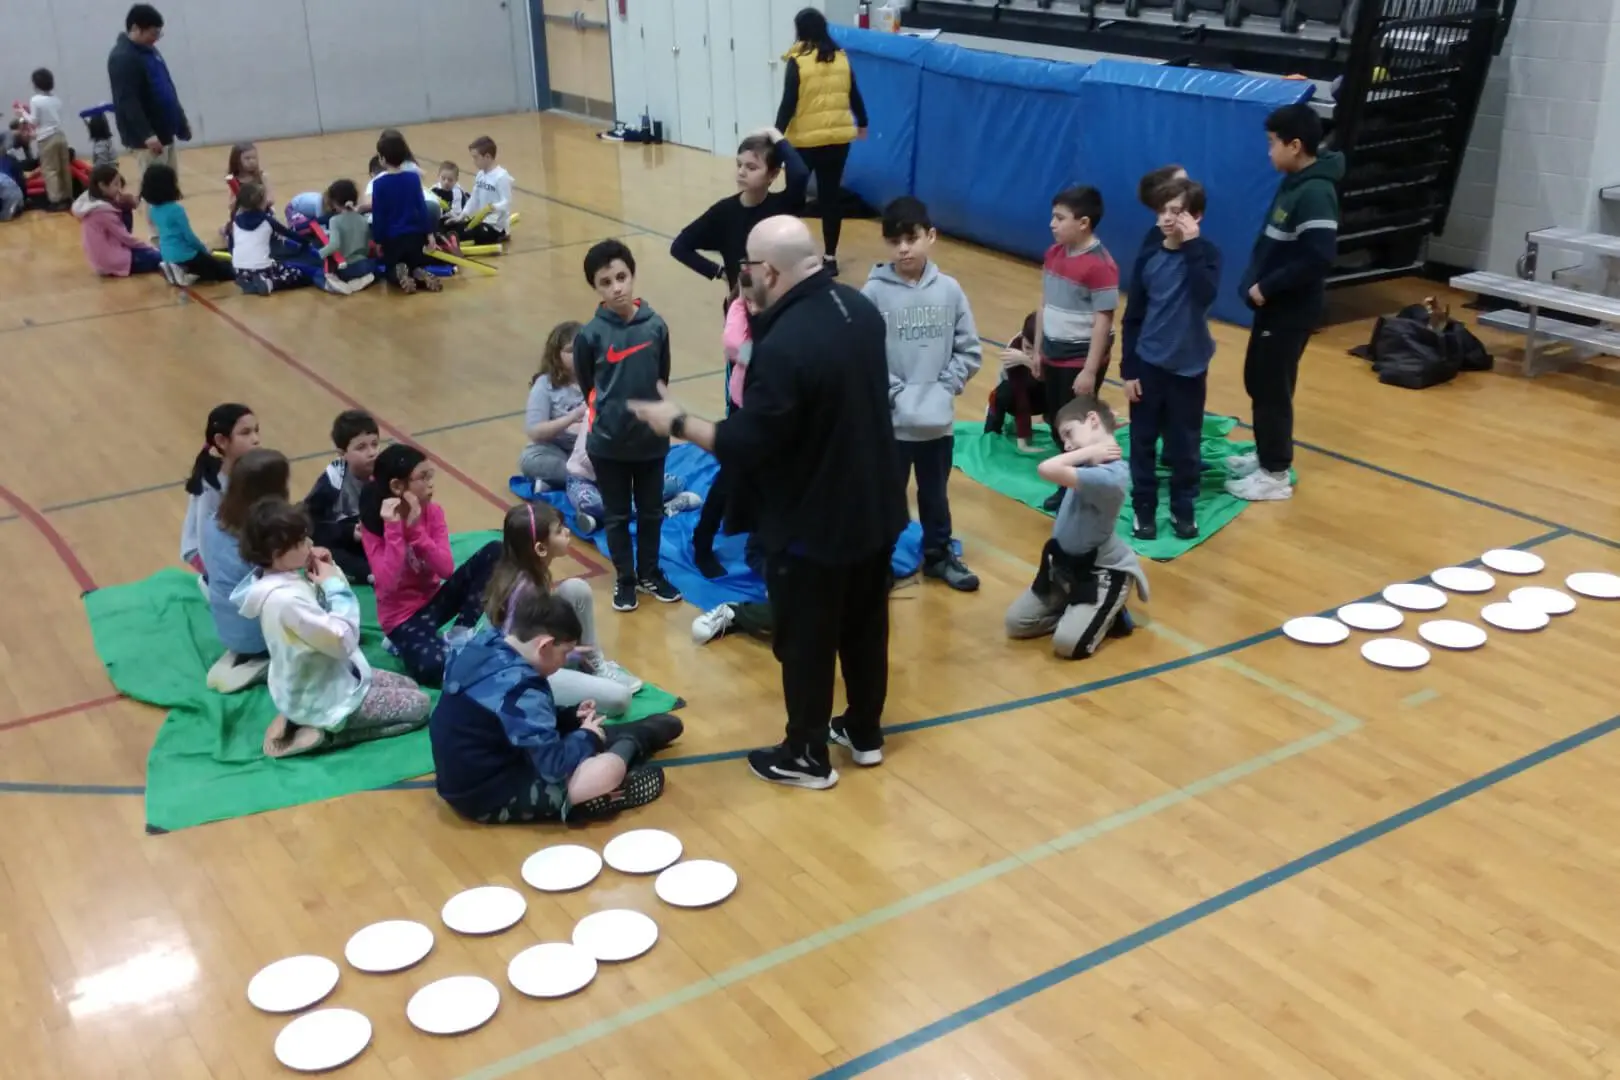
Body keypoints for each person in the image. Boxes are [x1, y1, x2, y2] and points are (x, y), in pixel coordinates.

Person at [630, 215, 906, 790]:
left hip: (813, 521)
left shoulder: (782, 346)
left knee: (805, 638)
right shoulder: (859, 310)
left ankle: (806, 754)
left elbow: (746, 443)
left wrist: (676, 419)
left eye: (746, 269)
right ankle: (863, 731)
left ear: (769, 272)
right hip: (876, 507)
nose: (741, 279)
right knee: (865, 624)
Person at [429, 590, 682, 825]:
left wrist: (570, 716)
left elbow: (512, 721)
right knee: (595, 772)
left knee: (583, 736)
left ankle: (624, 740)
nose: (565, 662)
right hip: (487, 796)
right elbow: (554, 765)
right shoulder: (522, 689)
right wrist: (588, 737)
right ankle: (628, 750)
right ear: (545, 646)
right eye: (565, 653)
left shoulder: (484, 643)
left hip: (474, 771)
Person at [235, 498, 432, 758]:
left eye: (305, 537)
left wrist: (329, 569)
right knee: (421, 707)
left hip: (317, 679)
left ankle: (297, 715)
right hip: (322, 695)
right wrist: (336, 584)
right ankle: (329, 734)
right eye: (299, 542)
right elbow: (344, 640)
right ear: (276, 555)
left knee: (409, 685)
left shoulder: (275, 577)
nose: (308, 545)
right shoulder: (285, 600)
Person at [862, 196, 982, 592]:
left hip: (936, 424)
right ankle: (875, 562)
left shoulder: (949, 291)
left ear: (930, 236)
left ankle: (938, 556)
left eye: (911, 239)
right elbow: (864, 355)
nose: (903, 248)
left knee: (935, 496)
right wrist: (895, 393)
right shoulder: (874, 294)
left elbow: (969, 349)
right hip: (892, 425)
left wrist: (944, 388)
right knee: (886, 498)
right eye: (895, 241)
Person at [1227, 103, 1344, 503]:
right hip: (1272, 307)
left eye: (1272, 144)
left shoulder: (1316, 192)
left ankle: (1275, 474)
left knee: (1272, 387)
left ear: (1295, 146)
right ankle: (1266, 456)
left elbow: (1318, 257)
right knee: (1258, 380)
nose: (1269, 152)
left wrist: (1268, 287)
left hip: (1289, 309)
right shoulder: (1295, 181)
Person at [573, 239, 682, 611]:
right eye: (606, 282)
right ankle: (626, 578)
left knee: (651, 511)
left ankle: (650, 572)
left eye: (622, 277)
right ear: (596, 288)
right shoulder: (590, 335)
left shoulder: (656, 326)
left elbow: (661, 376)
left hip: (650, 440)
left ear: (633, 276)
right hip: (608, 445)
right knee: (618, 516)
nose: (617, 287)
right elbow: (588, 384)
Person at [1004, 396, 1148, 659]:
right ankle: (1079, 611)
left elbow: (1046, 468)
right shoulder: (1086, 461)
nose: (1067, 445)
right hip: (1065, 568)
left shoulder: (1111, 476)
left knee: (1068, 645)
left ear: (1093, 420)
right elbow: (1077, 449)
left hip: (1100, 572)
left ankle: (1107, 609)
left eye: (1069, 434)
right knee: (1016, 623)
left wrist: (1087, 451)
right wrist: (1092, 446)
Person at [1119, 177, 1220, 541]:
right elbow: (1133, 317)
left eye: (1176, 212)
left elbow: (1205, 295)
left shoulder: (1206, 255)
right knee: (1142, 441)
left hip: (1189, 369)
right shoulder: (1149, 256)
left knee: (1185, 445)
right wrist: (1128, 369)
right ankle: (1143, 508)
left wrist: (1191, 245)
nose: (1166, 218)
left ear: (1196, 217)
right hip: (1149, 364)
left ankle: (1183, 508)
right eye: (1162, 211)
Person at [359, 443, 500, 686]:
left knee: (496, 551)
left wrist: (416, 534)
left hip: (435, 602)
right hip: (402, 619)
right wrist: (395, 529)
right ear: (397, 486)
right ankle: (401, 643)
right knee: (435, 667)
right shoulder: (375, 525)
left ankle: (460, 634)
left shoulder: (433, 513)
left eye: (430, 476)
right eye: (423, 478)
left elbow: (445, 569)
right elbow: (388, 582)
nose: (431, 484)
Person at [484, 502, 644, 714]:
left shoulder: (526, 570)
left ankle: (593, 664)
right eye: (559, 531)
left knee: (575, 589)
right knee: (619, 699)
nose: (568, 532)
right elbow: (521, 655)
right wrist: (569, 655)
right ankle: (577, 671)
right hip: (517, 672)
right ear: (540, 548)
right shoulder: (525, 593)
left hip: (535, 651)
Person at [1035, 184, 1119, 511]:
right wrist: (1037, 350)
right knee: (1056, 420)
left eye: (1059, 218)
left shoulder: (1101, 265)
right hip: (1052, 354)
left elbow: (1103, 321)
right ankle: (1067, 480)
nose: (1052, 224)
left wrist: (1089, 369)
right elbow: (1043, 303)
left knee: (1077, 426)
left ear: (1083, 223)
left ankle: (1081, 486)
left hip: (1078, 361)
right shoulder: (1053, 254)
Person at [776, 8, 867, 275]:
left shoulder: (798, 61)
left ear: (800, 31)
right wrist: (863, 122)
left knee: (794, 197)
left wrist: (774, 137)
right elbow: (855, 95)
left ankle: (789, 255)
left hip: (805, 142)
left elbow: (788, 103)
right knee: (830, 199)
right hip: (838, 141)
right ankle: (830, 258)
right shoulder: (841, 58)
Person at [670, 128, 810, 294]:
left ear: (772, 175)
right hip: (743, 303)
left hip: (778, 300)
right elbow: (679, 247)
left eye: (751, 168)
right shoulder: (724, 212)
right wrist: (720, 272)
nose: (741, 172)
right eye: (739, 165)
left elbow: (800, 174)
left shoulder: (782, 206)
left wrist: (776, 136)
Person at [200, 448, 290, 693]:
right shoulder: (266, 536)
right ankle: (267, 662)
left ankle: (244, 652)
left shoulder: (214, 522)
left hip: (226, 626)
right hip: (258, 633)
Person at [690, 293, 757, 579]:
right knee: (730, 475)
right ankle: (702, 543)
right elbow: (733, 346)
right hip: (747, 405)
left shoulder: (789, 302)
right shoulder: (741, 303)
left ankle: (762, 543)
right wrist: (770, 354)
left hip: (782, 402)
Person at [108, 4, 189, 230]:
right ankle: (159, 240)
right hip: (149, 140)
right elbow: (127, 101)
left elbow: (166, 88)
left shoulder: (150, 51)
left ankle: (174, 233)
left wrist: (180, 121)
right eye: (153, 33)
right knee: (155, 192)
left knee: (170, 188)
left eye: (158, 33)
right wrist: (147, 134)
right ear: (136, 28)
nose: (156, 38)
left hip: (166, 131)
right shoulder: (122, 58)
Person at [562, 411, 696, 536]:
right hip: (584, 481)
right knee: (594, 503)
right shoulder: (595, 412)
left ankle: (600, 517)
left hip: (622, 483)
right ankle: (667, 508)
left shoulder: (639, 416)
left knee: (674, 483)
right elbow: (587, 459)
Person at [304, 409, 379, 583]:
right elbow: (311, 526)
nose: (372, 452)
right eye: (361, 447)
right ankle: (367, 573)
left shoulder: (385, 473)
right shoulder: (331, 482)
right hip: (342, 539)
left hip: (373, 537)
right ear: (342, 453)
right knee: (327, 552)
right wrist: (349, 532)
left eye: (375, 444)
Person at [181, 403, 259, 572]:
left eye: (256, 431)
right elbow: (203, 535)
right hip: (200, 550)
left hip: (230, 539)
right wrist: (213, 575)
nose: (255, 439)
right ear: (221, 441)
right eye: (246, 433)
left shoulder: (245, 472)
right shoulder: (211, 485)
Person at [371, 130, 441, 293]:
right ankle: (418, 271)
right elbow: (421, 208)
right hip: (415, 237)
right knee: (415, 263)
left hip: (393, 239)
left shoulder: (379, 184)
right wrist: (429, 234)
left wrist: (378, 240)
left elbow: (379, 215)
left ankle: (398, 272)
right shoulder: (413, 178)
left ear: (382, 159)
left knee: (390, 271)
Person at [141, 163, 235, 285]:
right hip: (186, 256)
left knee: (212, 264)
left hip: (167, 254)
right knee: (226, 270)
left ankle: (182, 271)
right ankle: (185, 272)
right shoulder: (176, 210)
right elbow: (189, 237)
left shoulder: (153, 210)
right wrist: (203, 249)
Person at [520, 320, 586, 491]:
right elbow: (535, 431)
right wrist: (572, 418)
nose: (578, 354)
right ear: (556, 356)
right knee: (530, 459)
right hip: (560, 452)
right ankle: (587, 482)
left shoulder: (604, 378)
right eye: (570, 351)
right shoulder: (545, 384)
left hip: (595, 450)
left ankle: (561, 483)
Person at [72, 163, 160, 277]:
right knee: (160, 257)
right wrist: (149, 247)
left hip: (104, 257)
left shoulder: (92, 201)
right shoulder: (102, 211)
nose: (119, 189)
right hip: (113, 260)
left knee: (150, 253)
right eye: (115, 184)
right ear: (102, 186)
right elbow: (125, 237)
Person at [231, 181, 313, 295]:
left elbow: (232, 244)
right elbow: (288, 234)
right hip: (261, 267)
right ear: (261, 203)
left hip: (238, 269)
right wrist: (307, 241)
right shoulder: (267, 220)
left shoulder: (235, 220)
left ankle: (250, 282)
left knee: (268, 265)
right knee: (297, 274)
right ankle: (270, 283)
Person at [983, 312, 1045, 452]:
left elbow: (1056, 381)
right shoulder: (1014, 347)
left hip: (1043, 391)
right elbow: (1019, 393)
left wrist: (1028, 361)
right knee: (1002, 394)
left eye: (1037, 351)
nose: (1030, 354)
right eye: (1028, 348)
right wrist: (1023, 441)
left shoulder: (1054, 348)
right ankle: (993, 432)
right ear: (1022, 337)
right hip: (1015, 394)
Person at [314, 179, 375, 291]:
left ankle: (333, 285)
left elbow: (334, 245)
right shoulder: (362, 219)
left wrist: (319, 254)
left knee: (317, 274)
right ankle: (362, 279)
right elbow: (367, 246)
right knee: (373, 266)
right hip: (364, 264)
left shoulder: (335, 220)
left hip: (346, 268)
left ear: (334, 202)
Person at [456, 135, 512, 245]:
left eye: (475, 157)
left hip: (496, 227)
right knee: (457, 227)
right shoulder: (480, 175)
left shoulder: (501, 176)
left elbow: (507, 202)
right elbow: (474, 198)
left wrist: (493, 207)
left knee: (471, 234)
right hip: (481, 221)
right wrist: (462, 215)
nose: (473, 161)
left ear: (487, 157)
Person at [28, 69, 69, 210]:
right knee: (64, 168)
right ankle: (67, 197)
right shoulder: (56, 99)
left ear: (36, 83)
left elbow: (34, 121)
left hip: (46, 138)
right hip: (60, 136)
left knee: (50, 170)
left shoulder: (35, 100)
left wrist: (22, 113)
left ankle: (55, 200)